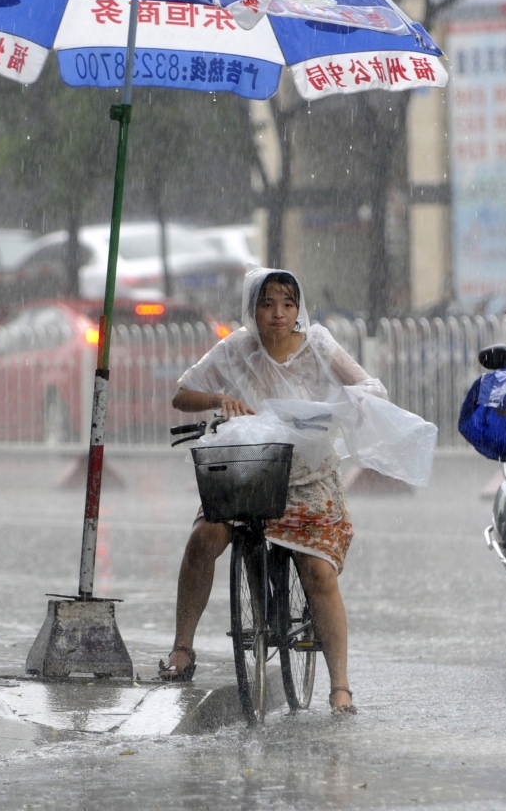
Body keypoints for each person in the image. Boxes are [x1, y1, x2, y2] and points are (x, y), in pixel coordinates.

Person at [160, 267, 386, 716]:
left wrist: (333, 408)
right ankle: (182, 649)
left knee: (318, 572)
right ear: (252, 309)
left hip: (307, 476)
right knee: (203, 538)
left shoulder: (318, 344)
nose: (278, 314)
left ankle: (340, 686)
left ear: (298, 308)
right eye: (266, 304)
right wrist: (218, 401)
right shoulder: (234, 350)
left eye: (287, 303)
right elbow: (182, 394)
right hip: (249, 473)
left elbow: (368, 386)